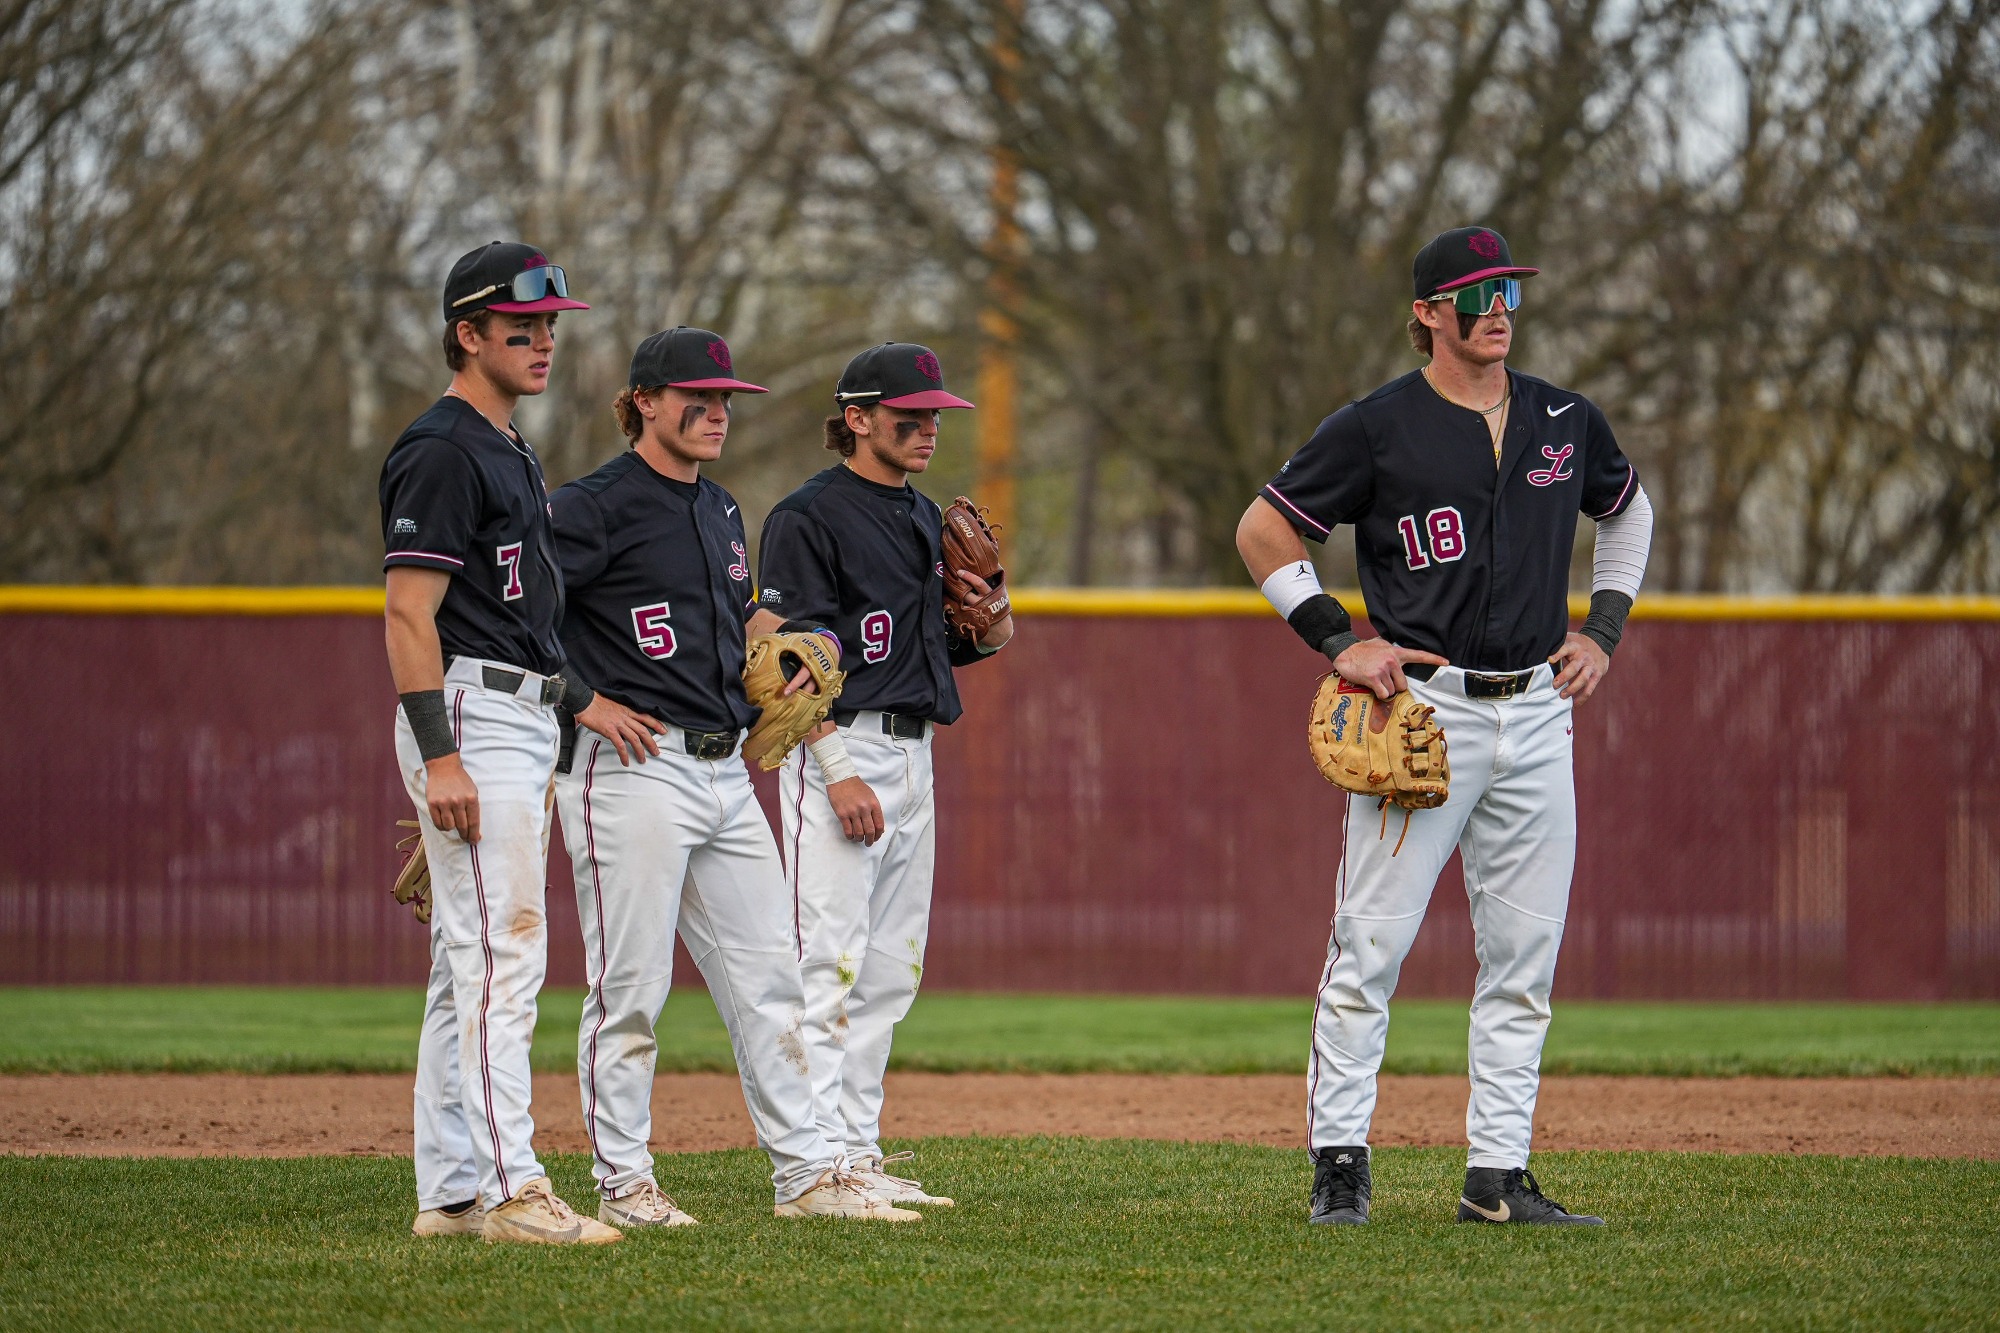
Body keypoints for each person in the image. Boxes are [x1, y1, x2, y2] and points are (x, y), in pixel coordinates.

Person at [1234, 226, 1654, 1226]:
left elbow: (1627, 512)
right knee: (1367, 952)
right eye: (1474, 292)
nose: (1497, 306)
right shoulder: (1376, 425)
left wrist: (1602, 627)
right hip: (1420, 713)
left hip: (1536, 713)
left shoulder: (1563, 416)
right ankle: (1340, 1165)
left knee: (1522, 960)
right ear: (1426, 313)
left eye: (1506, 286)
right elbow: (1263, 528)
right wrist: (1336, 639)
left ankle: (1496, 1179)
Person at [549, 327, 920, 1224]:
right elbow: (515, 615)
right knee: (630, 989)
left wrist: (781, 664)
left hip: (724, 771)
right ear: (643, 399)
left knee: (772, 981)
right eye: (697, 397)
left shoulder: (719, 509)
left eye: (724, 400)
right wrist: (581, 699)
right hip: (631, 767)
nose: (716, 412)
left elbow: (741, 634)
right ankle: (624, 1181)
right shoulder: (588, 506)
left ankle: (806, 1175)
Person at [382, 241, 655, 1244]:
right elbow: (409, 614)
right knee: (503, 957)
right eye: (518, 328)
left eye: (548, 326)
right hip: (468, 715)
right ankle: (511, 1192)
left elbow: (514, 614)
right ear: (468, 335)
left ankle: (452, 1192)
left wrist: (571, 701)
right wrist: (439, 754)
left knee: (468, 968)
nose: (542, 341)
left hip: (513, 711)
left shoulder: (506, 446)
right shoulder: (445, 448)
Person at [755, 343, 1014, 1207]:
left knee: (890, 973)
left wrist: (984, 632)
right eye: (909, 414)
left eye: (935, 414)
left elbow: (927, 654)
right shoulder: (809, 516)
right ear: (856, 418)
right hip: (844, 749)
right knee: (825, 963)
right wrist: (833, 768)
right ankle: (814, 1164)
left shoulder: (920, 514)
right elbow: (789, 663)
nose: (928, 427)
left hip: (913, 751)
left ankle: (856, 1152)